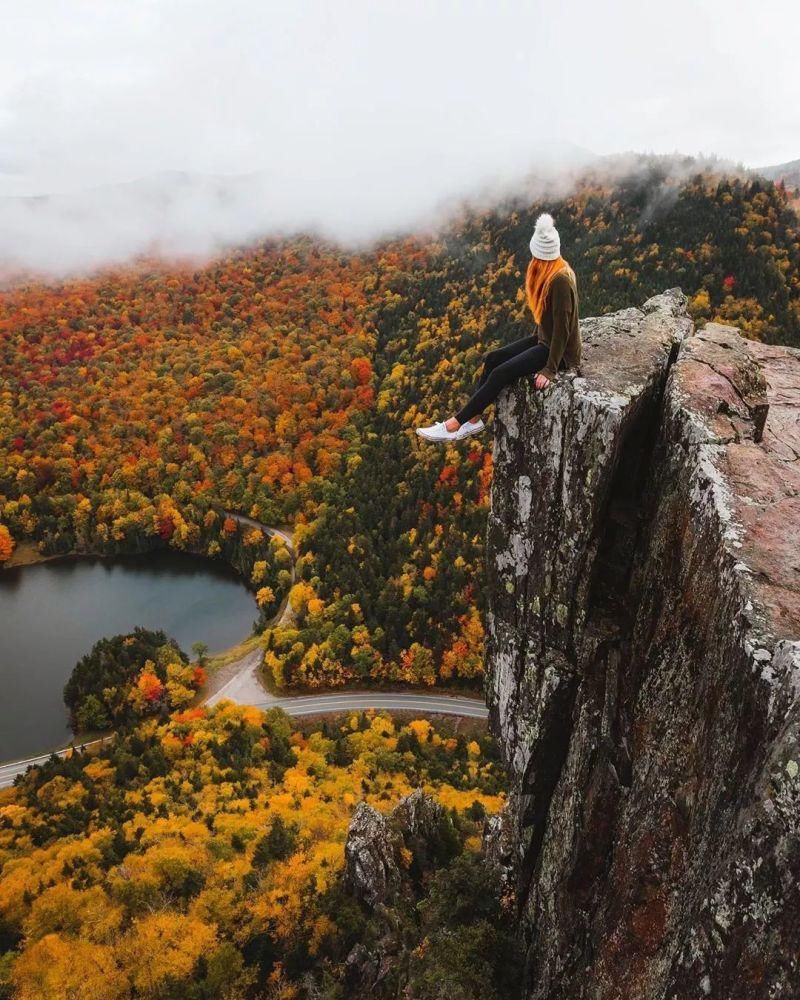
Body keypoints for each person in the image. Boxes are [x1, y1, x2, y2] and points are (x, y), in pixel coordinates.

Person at [416, 213, 581, 442]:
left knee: (500, 373)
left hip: (559, 351)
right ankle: (473, 420)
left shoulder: (560, 279)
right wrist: (532, 342)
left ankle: (454, 424)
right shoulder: (549, 272)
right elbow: (547, 318)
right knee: (493, 358)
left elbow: (563, 327)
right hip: (545, 339)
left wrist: (550, 369)